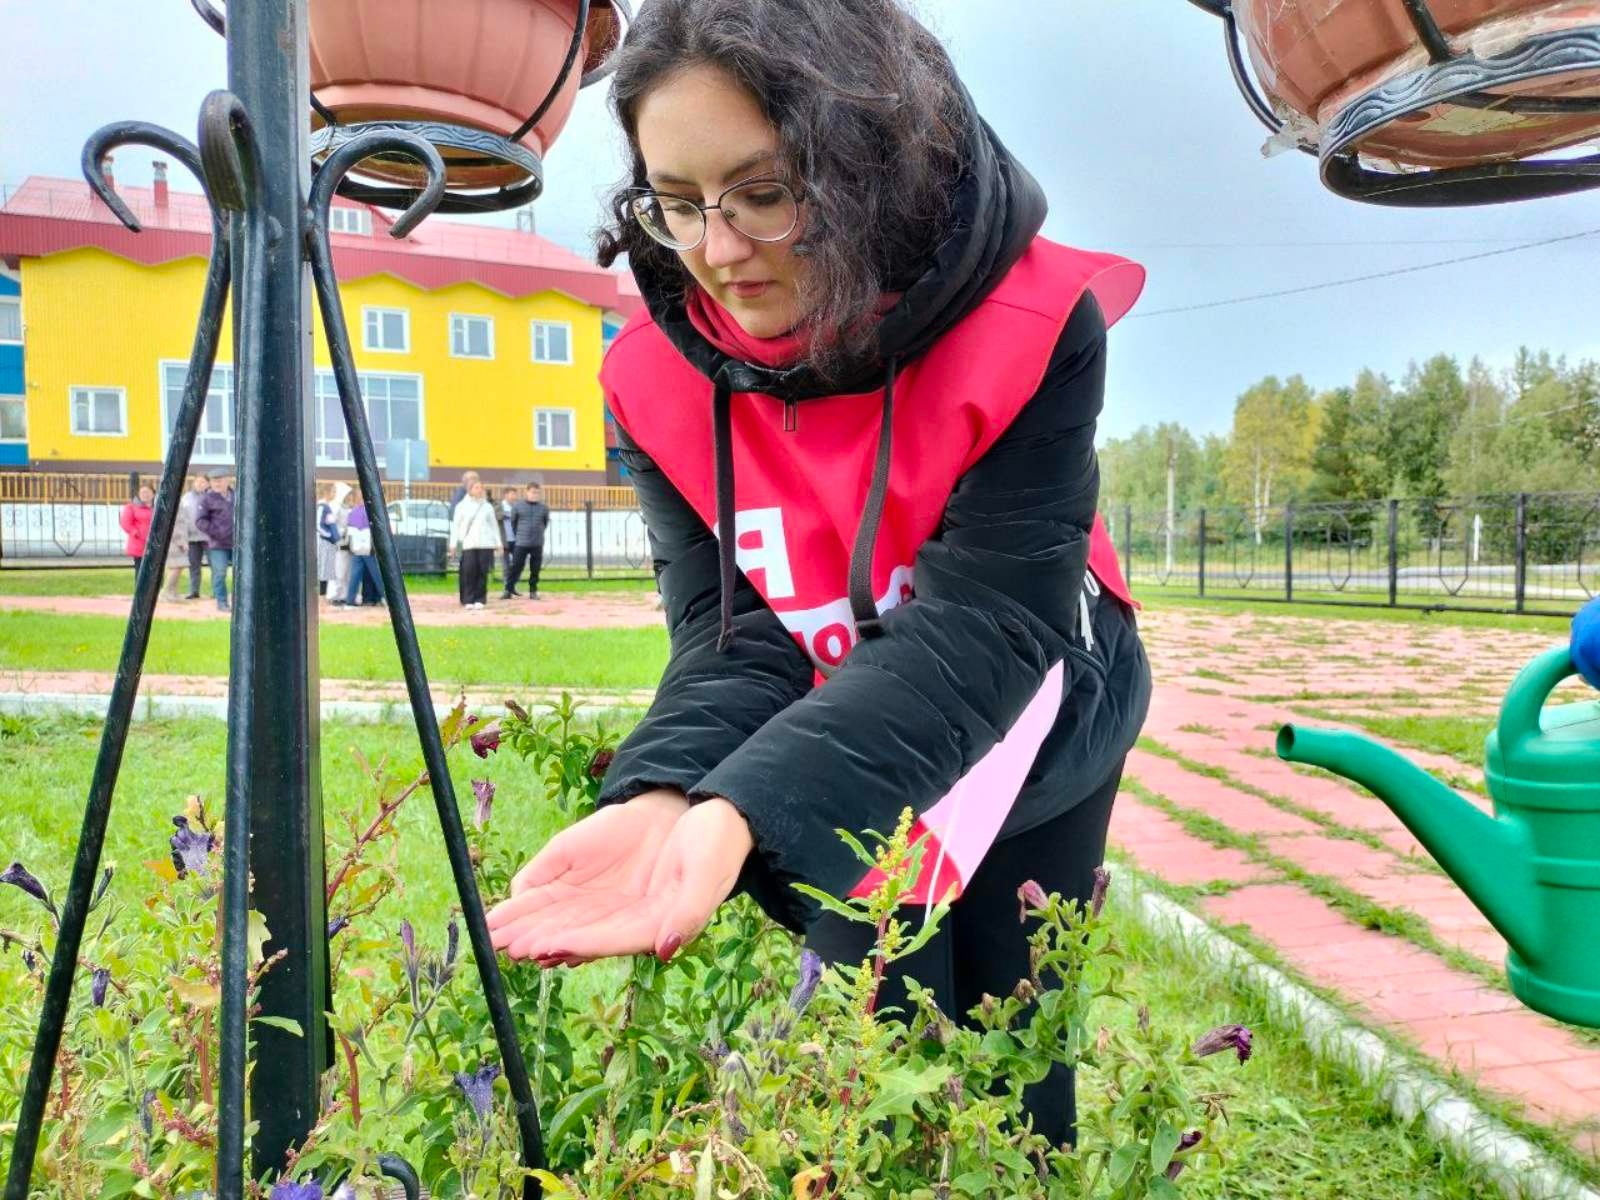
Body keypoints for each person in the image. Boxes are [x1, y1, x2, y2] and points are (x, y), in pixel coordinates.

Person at [484, 0, 1151, 1153]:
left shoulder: (1035, 324)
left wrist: (750, 799)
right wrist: (677, 795)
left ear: (869, 167)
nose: (717, 250)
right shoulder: (651, 378)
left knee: (1018, 1038)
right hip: (842, 723)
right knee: (880, 1040)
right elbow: (732, 634)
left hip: (1040, 708)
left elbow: (990, 621)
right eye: (679, 201)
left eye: (766, 191)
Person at [449, 478, 501, 609]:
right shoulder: (462, 506)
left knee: (482, 571)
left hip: (486, 543)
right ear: (470, 490)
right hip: (469, 543)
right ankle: (468, 599)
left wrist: (498, 543)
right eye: (476, 488)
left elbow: (494, 526)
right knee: (469, 571)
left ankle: (480, 599)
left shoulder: (487, 506)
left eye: (481, 488)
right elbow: (456, 526)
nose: (479, 490)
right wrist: (453, 544)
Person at [195, 470, 235, 611]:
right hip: (218, 544)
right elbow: (200, 521)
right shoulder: (206, 499)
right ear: (210, 483)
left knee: (242, 573)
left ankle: (239, 602)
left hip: (238, 543)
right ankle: (222, 602)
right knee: (219, 573)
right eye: (214, 480)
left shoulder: (237, 496)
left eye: (220, 480)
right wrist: (217, 533)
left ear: (228, 480)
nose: (217, 483)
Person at [503, 481, 550, 601]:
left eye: (537, 493)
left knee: (535, 568)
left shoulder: (543, 508)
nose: (535, 495)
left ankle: (533, 590)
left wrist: (538, 533)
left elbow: (545, 523)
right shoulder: (518, 506)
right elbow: (514, 523)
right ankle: (508, 589)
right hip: (521, 542)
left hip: (537, 543)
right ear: (527, 492)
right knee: (516, 566)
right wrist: (520, 534)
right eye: (533, 492)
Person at [343, 490, 384, 606]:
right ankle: (387, 598)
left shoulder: (353, 512)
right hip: (368, 547)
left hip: (356, 547)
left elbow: (349, 528)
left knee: (354, 575)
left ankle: (350, 601)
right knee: (377, 574)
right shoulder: (370, 512)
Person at [163, 477, 200, 601]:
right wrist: (181, 541)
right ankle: (167, 592)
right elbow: (175, 523)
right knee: (176, 567)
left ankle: (173, 592)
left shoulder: (176, 500)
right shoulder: (171, 501)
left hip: (180, 538)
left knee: (179, 567)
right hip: (175, 541)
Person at [181, 474, 210, 599]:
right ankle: (194, 591)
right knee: (194, 566)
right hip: (192, 538)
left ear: (208, 484)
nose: (200, 484)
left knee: (215, 565)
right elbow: (182, 518)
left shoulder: (212, 497)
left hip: (209, 538)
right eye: (197, 482)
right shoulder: (186, 498)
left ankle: (217, 592)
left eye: (203, 482)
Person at [315, 481, 345, 598]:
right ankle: (322, 594)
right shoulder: (322, 507)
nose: (334, 494)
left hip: (328, 541)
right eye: (333, 491)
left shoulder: (327, 506)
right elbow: (318, 524)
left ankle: (324, 593)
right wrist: (328, 535)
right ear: (327, 492)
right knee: (324, 568)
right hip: (325, 541)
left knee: (327, 568)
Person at [329, 484, 356, 606]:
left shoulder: (347, 508)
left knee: (346, 570)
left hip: (347, 542)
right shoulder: (335, 507)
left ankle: (344, 595)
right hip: (338, 543)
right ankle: (335, 595)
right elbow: (331, 524)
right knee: (338, 571)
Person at [120, 483, 154, 571]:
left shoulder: (158, 507)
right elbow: (125, 523)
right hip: (139, 543)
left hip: (155, 544)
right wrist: (135, 532)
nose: (145, 495)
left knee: (155, 571)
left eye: (147, 492)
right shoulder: (131, 507)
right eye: (142, 492)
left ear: (153, 494)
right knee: (141, 570)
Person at [499, 485, 520, 586]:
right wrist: (506, 515)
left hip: (516, 540)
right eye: (512, 494)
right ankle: (507, 587)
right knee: (505, 565)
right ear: (506, 495)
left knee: (517, 564)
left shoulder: (517, 507)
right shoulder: (499, 506)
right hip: (504, 540)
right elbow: (497, 516)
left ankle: (513, 585)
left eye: (515, 494)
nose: (514, 497)